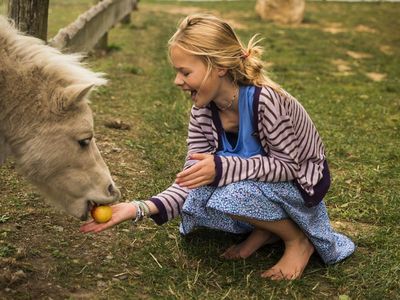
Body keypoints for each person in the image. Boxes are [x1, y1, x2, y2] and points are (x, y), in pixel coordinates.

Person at [80, 13, 355, 280]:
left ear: (219, 67)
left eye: (185, 72)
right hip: (257, 180)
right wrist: (139, 208)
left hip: (299, 183)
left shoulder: (266, 101)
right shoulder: (201, 112)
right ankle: (266, 230)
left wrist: (222, 168)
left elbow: (288, 166)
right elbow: (190, 181)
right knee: (198, 203)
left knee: (229, 197)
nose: (177, 81)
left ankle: (297, 240)